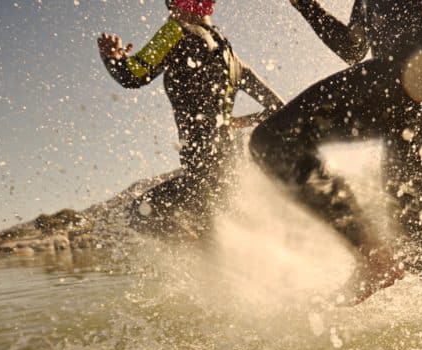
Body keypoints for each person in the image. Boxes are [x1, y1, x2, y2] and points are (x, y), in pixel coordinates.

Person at [250, 0, 422, 303]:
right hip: (414, 93)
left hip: (418, 72)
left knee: (273, 141)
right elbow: (353, 49)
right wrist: (305, 5)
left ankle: (372, 258)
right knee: (415, 248)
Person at [98, 0, 283, 239]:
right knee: (217, 237)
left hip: (202, 173)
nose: (169, 11)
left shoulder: (176, 31)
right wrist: (233, 122)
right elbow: (278, 108)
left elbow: (132, 76)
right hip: (232, 172)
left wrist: (111, 56)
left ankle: (207, 264)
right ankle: (223, 267)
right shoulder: (233, 59)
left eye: (170, 4)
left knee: (139, 214)